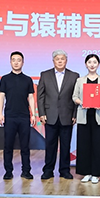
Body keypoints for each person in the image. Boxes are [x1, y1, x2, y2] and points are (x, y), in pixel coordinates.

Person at [37, 50, 79, 180]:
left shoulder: (74, 76)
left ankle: (65, 170)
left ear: (66, 61)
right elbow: (40, 96)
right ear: (53, 61)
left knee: (66, 145)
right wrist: (42, 113)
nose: (60, 61)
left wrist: (75, 114)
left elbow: (76, 97)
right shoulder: (45, 75)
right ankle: (48, 170)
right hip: (50, 115)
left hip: (67, 115)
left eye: (62, 59)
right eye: (57, 59)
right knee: (50, 145)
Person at [72, 54, 100, 183]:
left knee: (98, 145)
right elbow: (74, 97)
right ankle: (86, 172)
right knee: (84, 145)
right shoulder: (80, 80)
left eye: (94, 62)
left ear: (98, 64)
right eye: (89, 62)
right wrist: (82, 102)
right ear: (86, 64)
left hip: (98, 116)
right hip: (84, 116)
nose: (92, 64)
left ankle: (96, 173)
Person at [0, 51, 37, 180]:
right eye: (13, 60)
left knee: (25, 146)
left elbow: (31, 97)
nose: (16, 62)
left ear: (23, 62)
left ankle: (26, 171)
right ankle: (8, 171)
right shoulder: (5, 79)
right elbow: (1, 97)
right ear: (10, 62)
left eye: (18, 60)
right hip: (10, 116)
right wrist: (0, 113)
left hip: (24, 116)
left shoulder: (27, 79)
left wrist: (33, 114)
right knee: (8, 145)